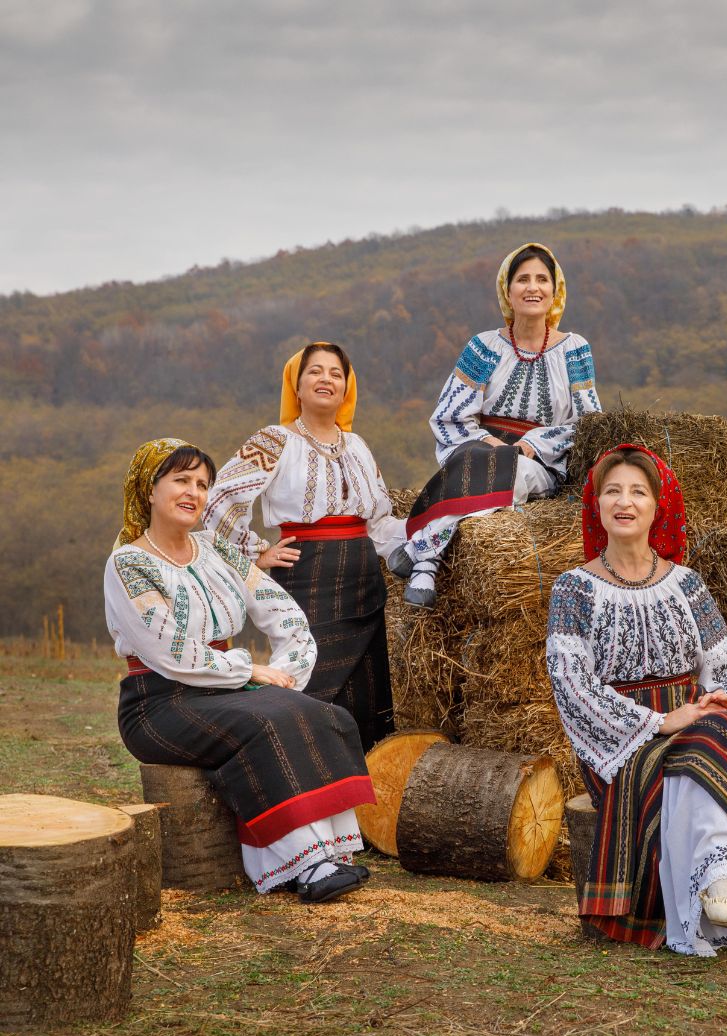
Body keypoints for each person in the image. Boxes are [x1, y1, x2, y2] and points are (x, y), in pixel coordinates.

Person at [546, 444, 727, 963]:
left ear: (657, 506)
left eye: (638, 492)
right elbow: (571, 686)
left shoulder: (687, 583)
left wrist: (719, 697)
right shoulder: (574, 588)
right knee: (719, 738)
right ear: (595, 506)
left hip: (694, 723)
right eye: (611, 491)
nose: (624, 502)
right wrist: (662, 721)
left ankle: (725, 878)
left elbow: (725, 662)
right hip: (624, 744)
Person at [105, 439, 374, 901]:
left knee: (312, 710)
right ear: (150, 489)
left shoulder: (217, 551)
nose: (194, 492)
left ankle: (333, 852)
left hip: (224, 691)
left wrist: (287, 670)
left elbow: (281, 611)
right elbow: (170, 651)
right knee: (264, 721)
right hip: (158, 704)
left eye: (203, 484)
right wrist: (249, 671)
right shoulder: (129, 563)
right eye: (181, 480)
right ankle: (301, 866)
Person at [204, 342, 403, 750]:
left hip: (364, 579)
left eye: (335, 372)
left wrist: (430, 534)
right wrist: (255, 552)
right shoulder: (274, 440)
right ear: (296, 385)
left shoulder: (359, 447)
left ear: (347, 387)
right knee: (309, 679)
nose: (326, 379)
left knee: (366, 695)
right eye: (315, 371)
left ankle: (362, 793)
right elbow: (217, 499)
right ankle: (290, 773)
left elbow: (379, 520)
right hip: (309, 571)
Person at [395, 242, 602, 607]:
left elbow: (589, 423)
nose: (532, 287)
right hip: (478, 447)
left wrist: (533, 444)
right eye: (523, 279)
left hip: (540, 460)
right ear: (508, 291)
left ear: (556, 291)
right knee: (480, 460)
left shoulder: (575, 349)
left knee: (515, 469)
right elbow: (450, 414)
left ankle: (424, 554)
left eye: (542, 279)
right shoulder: (483, 347)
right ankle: (426, 562)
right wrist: (489, 444)